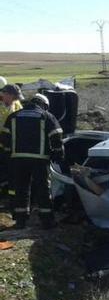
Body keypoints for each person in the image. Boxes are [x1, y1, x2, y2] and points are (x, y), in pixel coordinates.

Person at [1, 93, 64, 229]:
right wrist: (58, 153)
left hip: (17, 159)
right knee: (43, 189)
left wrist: (7, 155)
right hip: (40, 160)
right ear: (43, 105)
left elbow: (5, 138)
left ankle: (20, 221)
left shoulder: (14, 116)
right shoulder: (46, 116)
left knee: (21, 189)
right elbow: (57, 135)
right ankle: (47, 221)